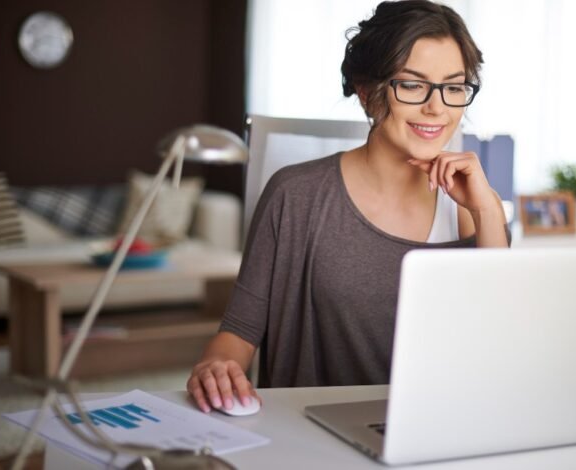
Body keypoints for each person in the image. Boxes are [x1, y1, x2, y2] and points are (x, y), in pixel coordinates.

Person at [187, 0, 509, 414]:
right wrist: (217, 366)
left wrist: (487, 214)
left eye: (454, 86)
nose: (438, 107)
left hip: (441, 430)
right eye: (412, 84)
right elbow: (238, 333)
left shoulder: (476, 206)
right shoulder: (296, 194)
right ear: (367, 92)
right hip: (314, 436)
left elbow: (500, 349)